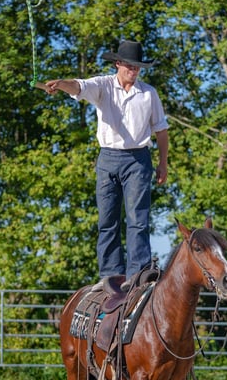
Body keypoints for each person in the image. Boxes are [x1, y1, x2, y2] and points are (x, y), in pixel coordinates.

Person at [44, 40, 168, 291]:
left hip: (138, 160)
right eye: (130, 66)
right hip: (108, 158)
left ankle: (138, 273)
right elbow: (79, 86)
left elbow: (161, 130)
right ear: (118, 64)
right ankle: (111, 274)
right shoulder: (103, 85)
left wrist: (162, 162)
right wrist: (60, 84)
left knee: (138, 219)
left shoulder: (148, 94)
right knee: (108, 219)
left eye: (137, 67)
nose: (134, 70)